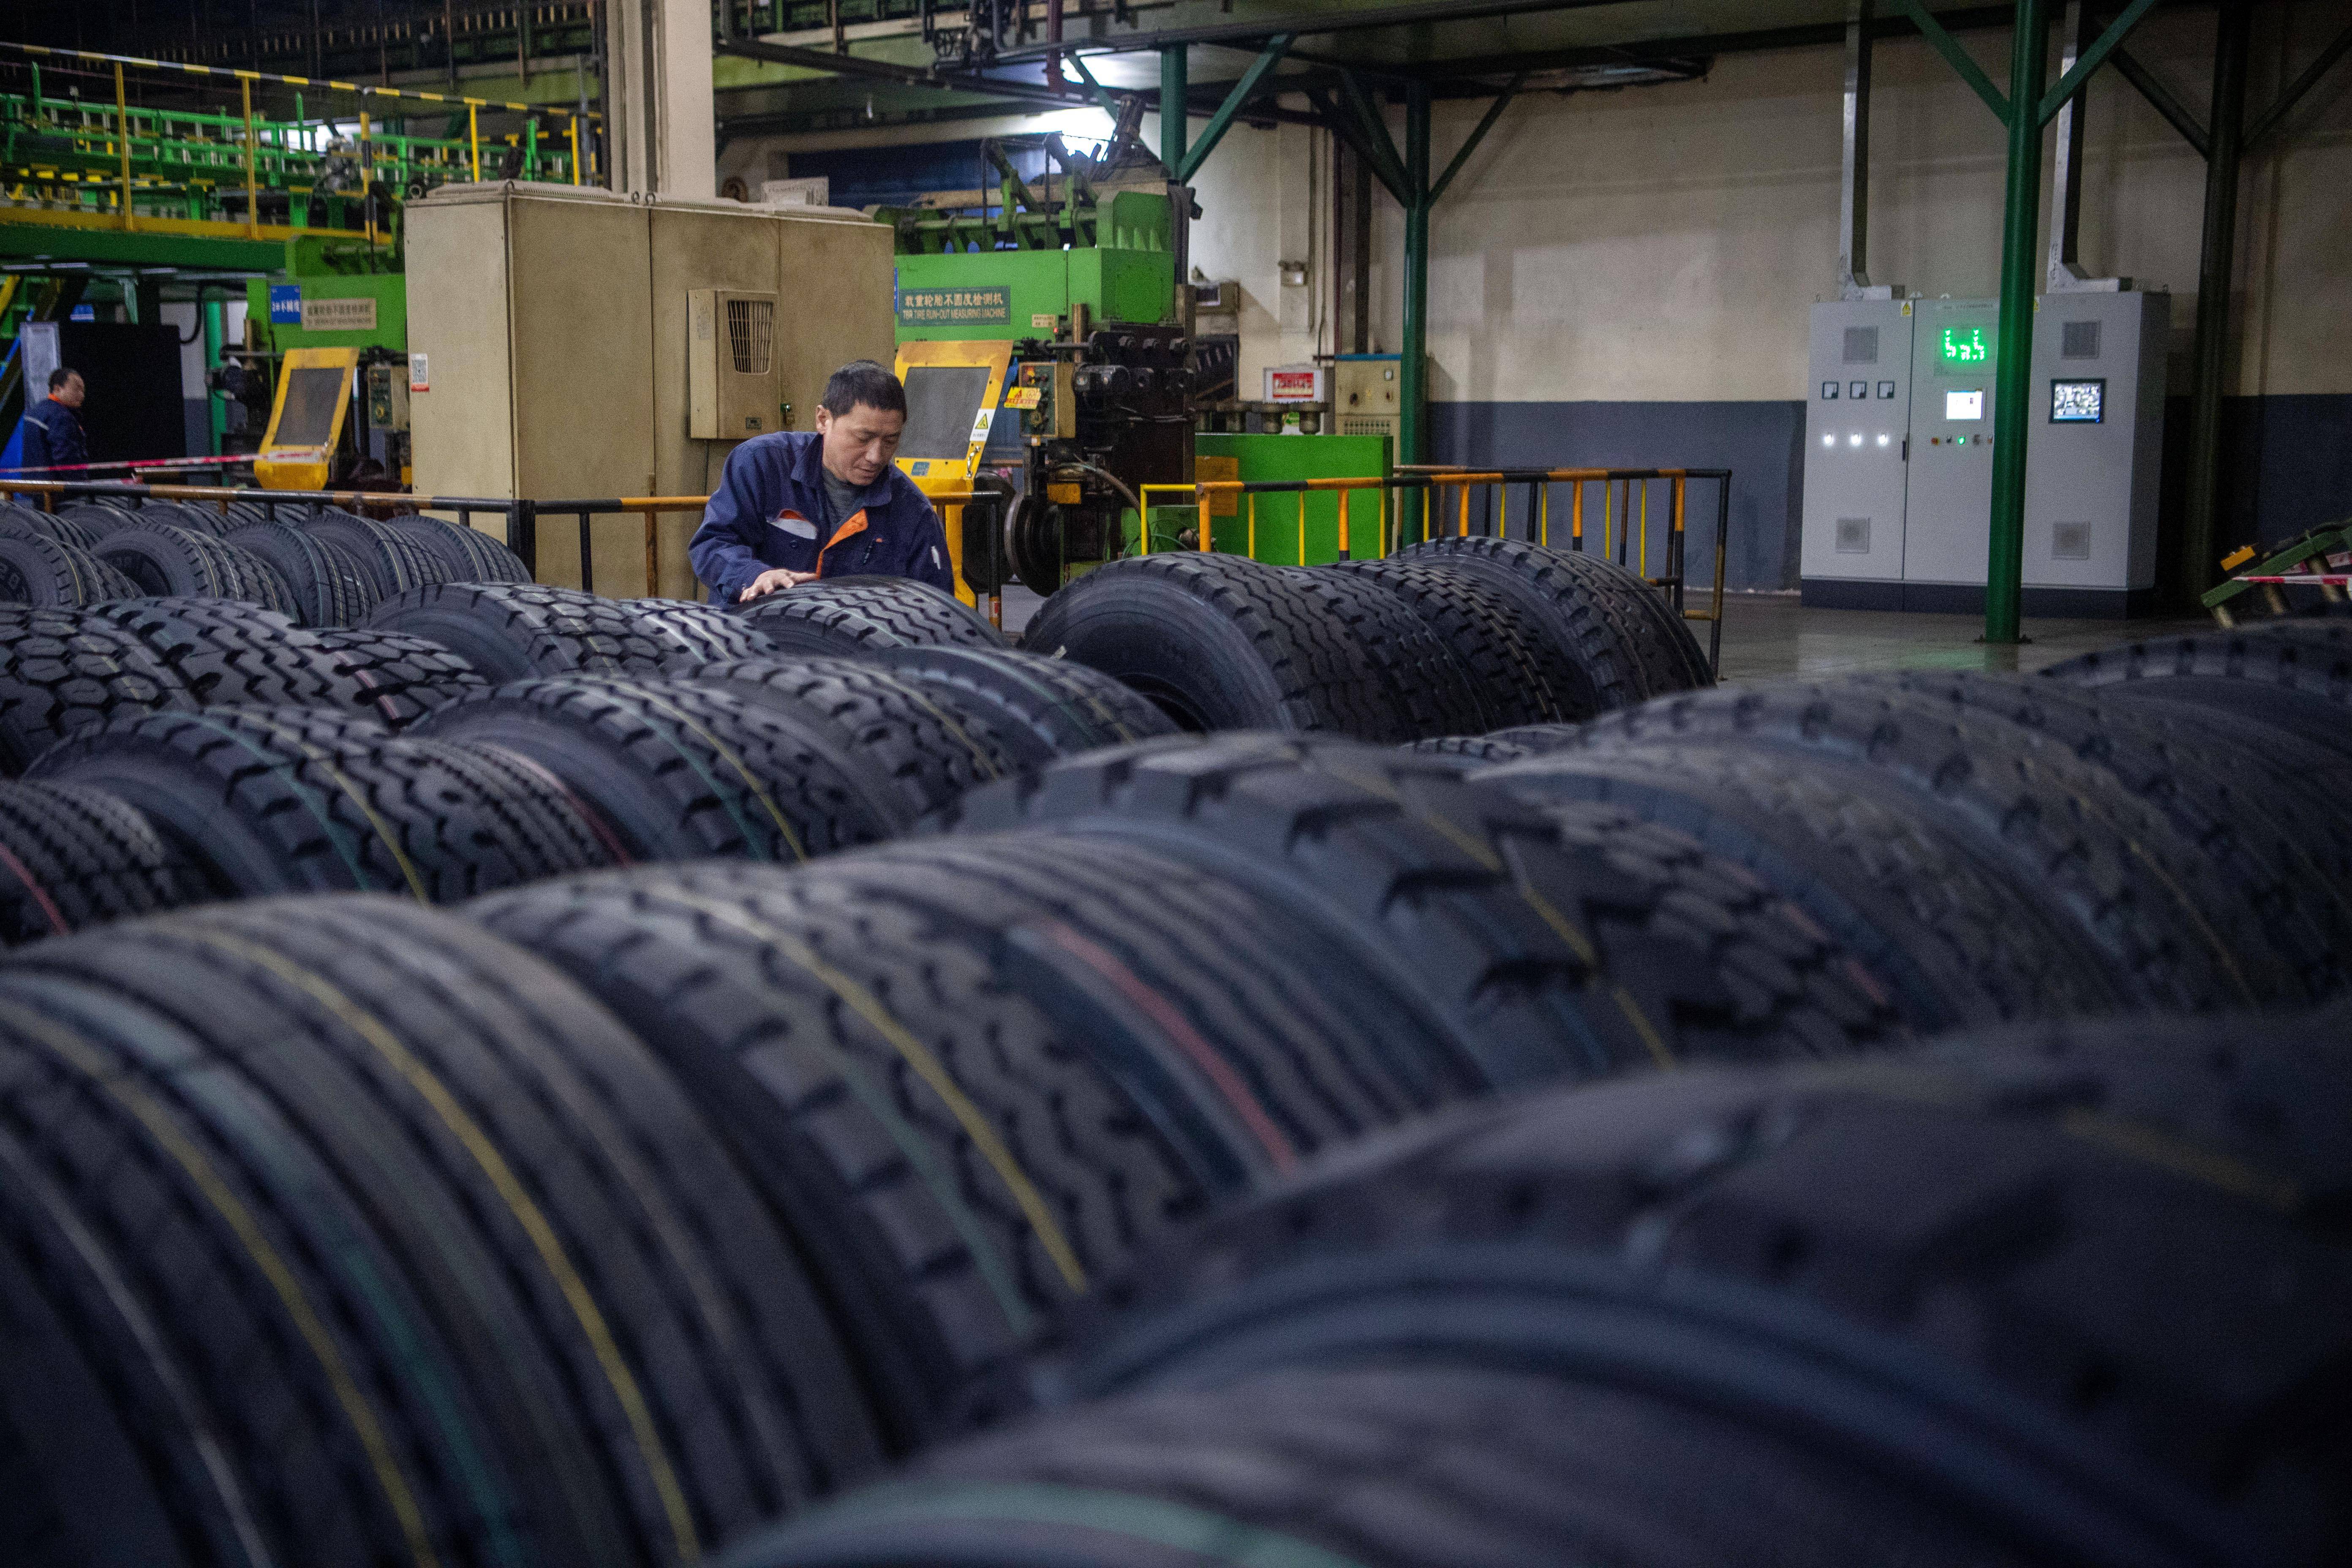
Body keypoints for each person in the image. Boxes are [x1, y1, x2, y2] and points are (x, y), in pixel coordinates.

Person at [688, 359, 953, 605]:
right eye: (863, 438)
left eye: (891, 441)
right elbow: (714, 543)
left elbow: (936, 607)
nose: (876, 457)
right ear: (823, 420)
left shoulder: (911, 512)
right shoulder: (761, 464)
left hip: (851, 651)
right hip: (753, 640)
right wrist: (755, 576)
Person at [17, 367, 87, 474]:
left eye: (83, 390)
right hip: (55, 488)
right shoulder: (62, 417)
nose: (82, 395)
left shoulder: (35, 411)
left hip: (32, 487)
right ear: (58, 389)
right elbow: (67, 460)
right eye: (77, 389)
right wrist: (81, 487)